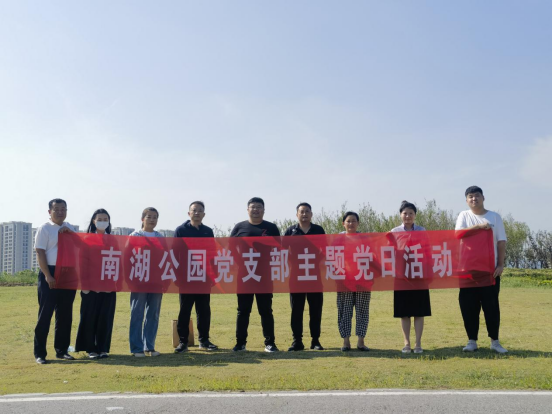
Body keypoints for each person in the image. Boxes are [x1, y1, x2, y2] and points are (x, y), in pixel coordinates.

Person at [455, 186, 508, 354]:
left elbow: (501, 241)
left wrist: (500, 264)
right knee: (468, 307)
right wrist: (478, 227)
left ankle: (495, 341)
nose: (474, 199)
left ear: (483, 198)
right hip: (467, 271)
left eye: (477, 196)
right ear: (466, 200)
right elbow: (458, 234)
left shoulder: (494, 217)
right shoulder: (464, 215)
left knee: (491, 307)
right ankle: (471, 341)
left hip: (489, 272)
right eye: (470, 196)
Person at [230, 197, 280, 352]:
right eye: (253, 207)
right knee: (243, 310)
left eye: (259, 207)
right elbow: (230, 247)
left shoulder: (271, 228)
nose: (256, 210)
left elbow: (279, 248)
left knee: (266, 310)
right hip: (245, 275)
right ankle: (240, 343)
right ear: (248, 210)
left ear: (264, 210)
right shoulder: (239, 227)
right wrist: (239, 262)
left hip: (264, 275)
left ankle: (270, 343)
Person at [33, 198, 77, 364]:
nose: (60, 212)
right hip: (50, 272)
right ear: (49, 211)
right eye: (56, 209)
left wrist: (70, 233)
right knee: (45, 314)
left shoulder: (70, 227)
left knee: (65, 315)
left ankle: (62, 351)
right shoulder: (44, 228)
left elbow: (79, 246)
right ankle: (40, 354)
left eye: (63, 209)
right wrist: (47, 275)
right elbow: (40, 252)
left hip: (68, 273)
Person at [174, 201, 218, 352]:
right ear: (189, 213)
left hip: (204, 277)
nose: (197, 213)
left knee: (204, 310)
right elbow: (174, 254)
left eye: (200, 210)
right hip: (186, 278)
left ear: (204, 214)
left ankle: (204, 340)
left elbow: (212, 255)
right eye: (194, 210)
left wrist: (213, 275)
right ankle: (183, 342)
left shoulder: (208, 231)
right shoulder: (181, 230)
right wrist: (177, 276)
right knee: (185, 310)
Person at [75, 209, 117, 359]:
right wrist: (84, 285)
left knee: (105, 317)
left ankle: (102, 348)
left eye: (105, 219)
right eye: (100, 219)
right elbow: (82, 263)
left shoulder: (113, 239)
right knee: (89, 317)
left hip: (108, 285)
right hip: (90, 286)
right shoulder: (87, 239)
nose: (102, 222)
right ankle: (90, 349)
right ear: (94, 221)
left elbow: (118, 261)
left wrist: (114, 283)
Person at [283, 202, 326, 351]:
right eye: (301, 211)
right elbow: (282, 251)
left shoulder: (318, 230)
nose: (304, 214)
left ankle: (315, 341)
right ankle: (297, 341)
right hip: (296, 277)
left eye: (307, 211)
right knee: (296, 310)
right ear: (297, 214)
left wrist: (318, 262)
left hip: (314, 276)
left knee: (315, 310)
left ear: (311, 214)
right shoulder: (290, 231)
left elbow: (326, 250)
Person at [390, 201, 431, 354]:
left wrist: (429, 271)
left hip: (419, 275)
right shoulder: (394, 232)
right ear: (400, 215)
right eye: (405, 213)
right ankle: (406, 343)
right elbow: (388, 251)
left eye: (411, 213)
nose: (408, 216)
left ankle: (418, 343)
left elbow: (427, 251)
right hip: (401, 276)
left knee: (419, 311)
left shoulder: (422, 231)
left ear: (415, 215)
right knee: (404, 312)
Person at [129, 207, 164, 357]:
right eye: (149, 217)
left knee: (153, 314)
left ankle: (149, 346)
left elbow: (165, 258)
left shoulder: (161, 237)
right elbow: (127, 257)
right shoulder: (134, 236)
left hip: (156, 281)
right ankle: (136, 348)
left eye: (155, 217)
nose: (152, 220)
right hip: (139, 280)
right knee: (137, 313)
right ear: (142, 219)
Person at [337, 211, 371, 352]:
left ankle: (361, 341)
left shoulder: (365, 238)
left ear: (358, 223)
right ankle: (346, 342)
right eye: (348, 221)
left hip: (363, 279)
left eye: (354, 221)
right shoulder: (338, 239)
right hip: (344, 281)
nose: (351, 223)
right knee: (344, 310)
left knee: (362, 310)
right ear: (343, 223)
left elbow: (374, 255)